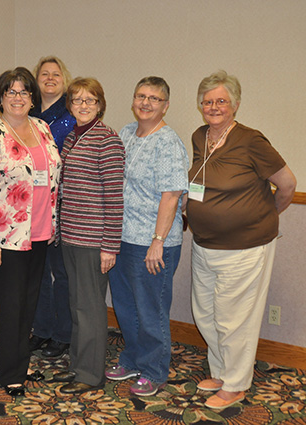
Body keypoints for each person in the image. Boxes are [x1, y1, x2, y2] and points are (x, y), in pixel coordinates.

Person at [186, 70, 296, 409]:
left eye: (221, 101)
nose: (214, 107)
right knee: (206, 312)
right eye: (208, 101)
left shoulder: (251, 140)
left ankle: (235, 384)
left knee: (235, 317)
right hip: (204, 243)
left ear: (234, 104)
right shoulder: (199, 136)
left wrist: (261, 218)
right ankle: (221, 372)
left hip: (245, 247)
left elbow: (288, 184)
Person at [0, 67, 62, 397]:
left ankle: (19, 363)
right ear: (0, 98)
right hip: (5, 237)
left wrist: (52, 222)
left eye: (24, 92)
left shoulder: (42, 128)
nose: (18, 98)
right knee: (10, 307)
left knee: (29, 304)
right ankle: (9, 371)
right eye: (11, 92)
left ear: (32, 98)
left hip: (39, 233)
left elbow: (52, 178)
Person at [106, 76, 189, 397]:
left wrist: (157, 241)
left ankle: (155, 370)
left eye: (154, 98)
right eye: (141, 96)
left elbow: (171, 195)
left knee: (151, 309)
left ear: (165, 105)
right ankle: (133, 358)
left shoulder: (168, 142)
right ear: (133, 100)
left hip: (154, 244)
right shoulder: (126, 133)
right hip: (122, 238)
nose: (146, 102)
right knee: (126, 307)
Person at [52, 78, 124, 394]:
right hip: (70, 236)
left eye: (90, 100)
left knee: (91, 307)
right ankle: (78, 366)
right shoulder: (71, 138)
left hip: (94, 241)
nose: (83, 105)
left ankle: (90, 375)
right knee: (77, 304)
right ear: (69, 104)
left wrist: (110, 246)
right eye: (77, 100)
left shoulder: (107, 141)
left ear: (100, 105)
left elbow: (114, 196)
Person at [29, 56, 76, 358]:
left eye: (55, 74)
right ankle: (41, 329)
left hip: (63, 206)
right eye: (43, 74)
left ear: (64, 79)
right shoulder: (25, 115)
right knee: (39, 274)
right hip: (32, 208)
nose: (49, 78)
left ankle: (63, 333)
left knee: (62, 273)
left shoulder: (72, 116)